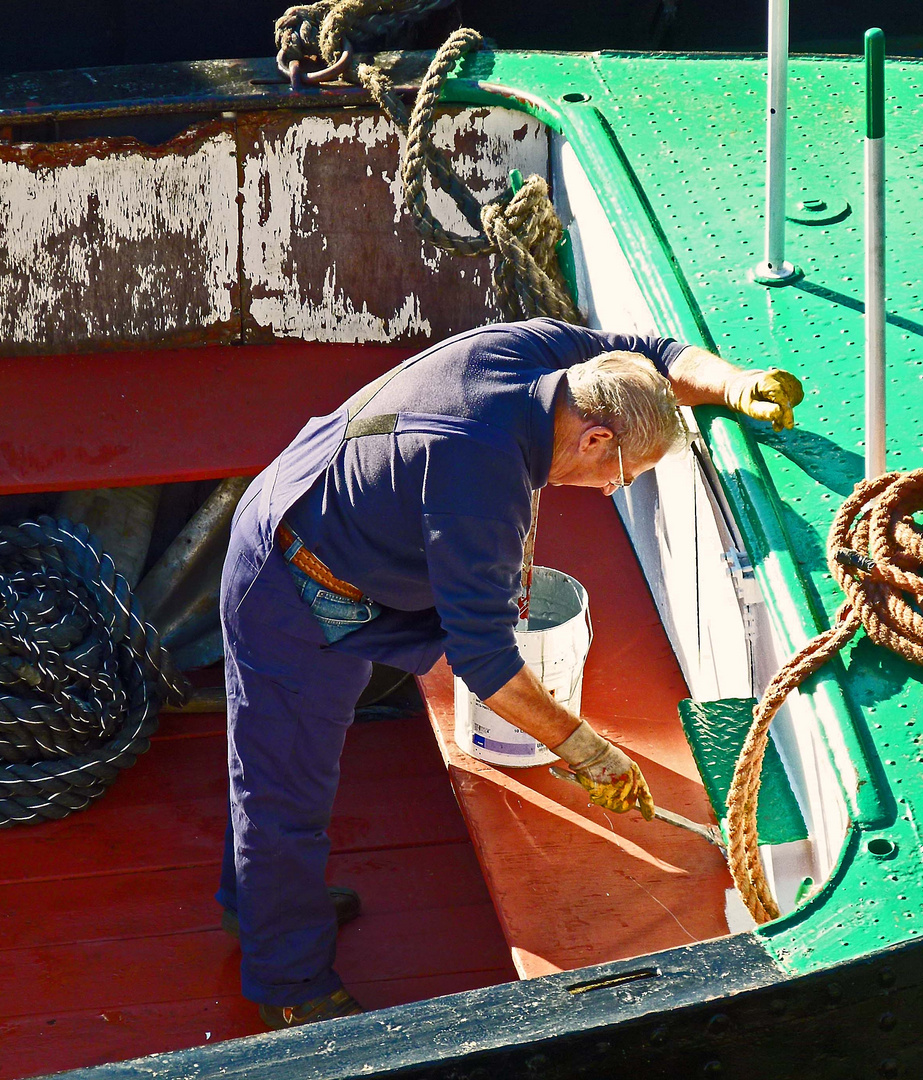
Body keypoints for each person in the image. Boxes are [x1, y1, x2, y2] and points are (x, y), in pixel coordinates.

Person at [216, 318, 802, 1028]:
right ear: (595, 439)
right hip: (291, 581)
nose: (612, 492)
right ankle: (290, 978)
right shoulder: (479, 481)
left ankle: (261, 904)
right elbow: (485, 663)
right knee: (284, 790)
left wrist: (734, 386)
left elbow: (654, 354)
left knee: (289, 772)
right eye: (622, 476)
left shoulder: (542, 360)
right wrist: (592, 753)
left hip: (337, 511)